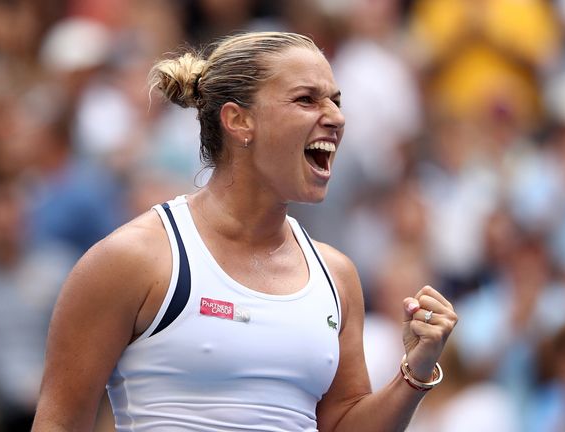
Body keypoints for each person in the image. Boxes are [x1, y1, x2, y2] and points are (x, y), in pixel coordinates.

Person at [32, 31, 457, 431]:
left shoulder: (337, 276)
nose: (336, 117)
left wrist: (414, 373)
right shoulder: (133, 260)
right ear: (238, 121)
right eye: (307, 99)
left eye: (336, 100)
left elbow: (342, 423)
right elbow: (58, 423)